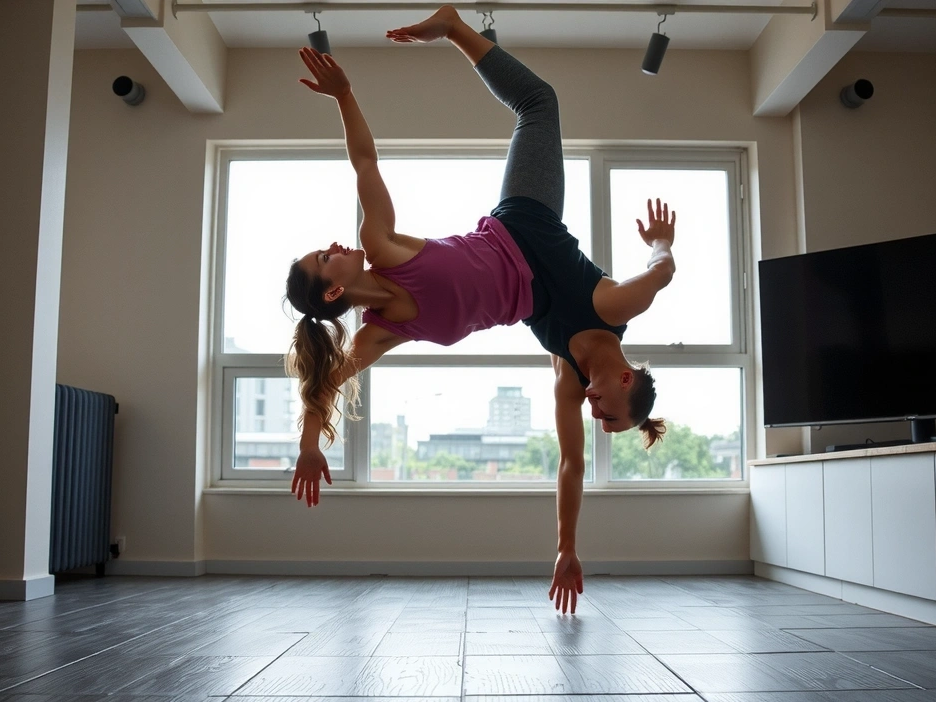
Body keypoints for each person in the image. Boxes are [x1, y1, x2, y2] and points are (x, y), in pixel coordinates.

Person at [286, 6, 676, 614]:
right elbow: (661, 274)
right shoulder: (606, 306)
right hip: (530, 222)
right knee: (540, 103)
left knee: (540, 105)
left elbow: (365, 164)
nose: (336, 246)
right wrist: (661, 243)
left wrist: (345, 93)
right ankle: (455, 28)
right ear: (332, 291)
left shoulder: (385, 317)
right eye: (324, 256)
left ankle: (454, 29)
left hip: (517, 243)